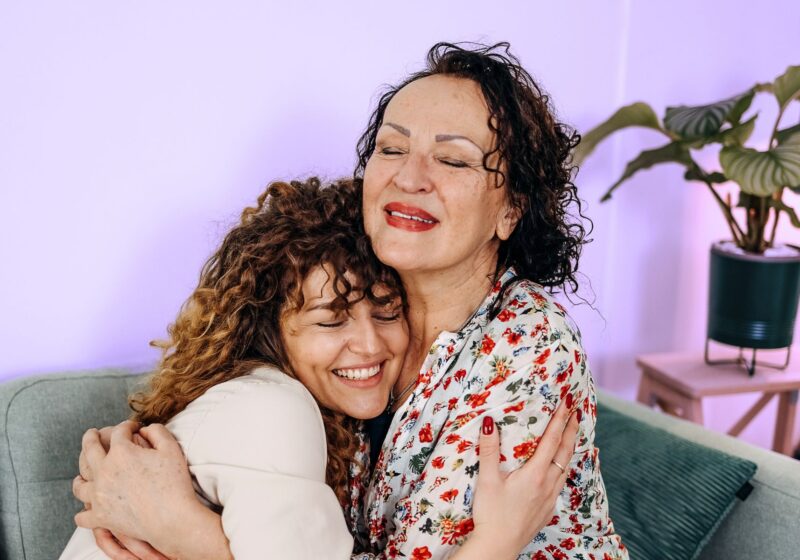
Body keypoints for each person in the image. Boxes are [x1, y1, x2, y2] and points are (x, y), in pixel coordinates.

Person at [75, 42, 628, 559]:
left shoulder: (528, 344)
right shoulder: (349, 303)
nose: (410, 176)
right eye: (392, 148)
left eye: (453, 160)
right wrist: (120, 459)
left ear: (511, 210)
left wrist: (183, 530)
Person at [66, 177, 579, 560]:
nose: (370, 344)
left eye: (386, 312)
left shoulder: (330, 422)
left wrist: (182, 529)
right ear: (270, 331)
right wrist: (495, 541)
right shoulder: (273, 409)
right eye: (330, 322)